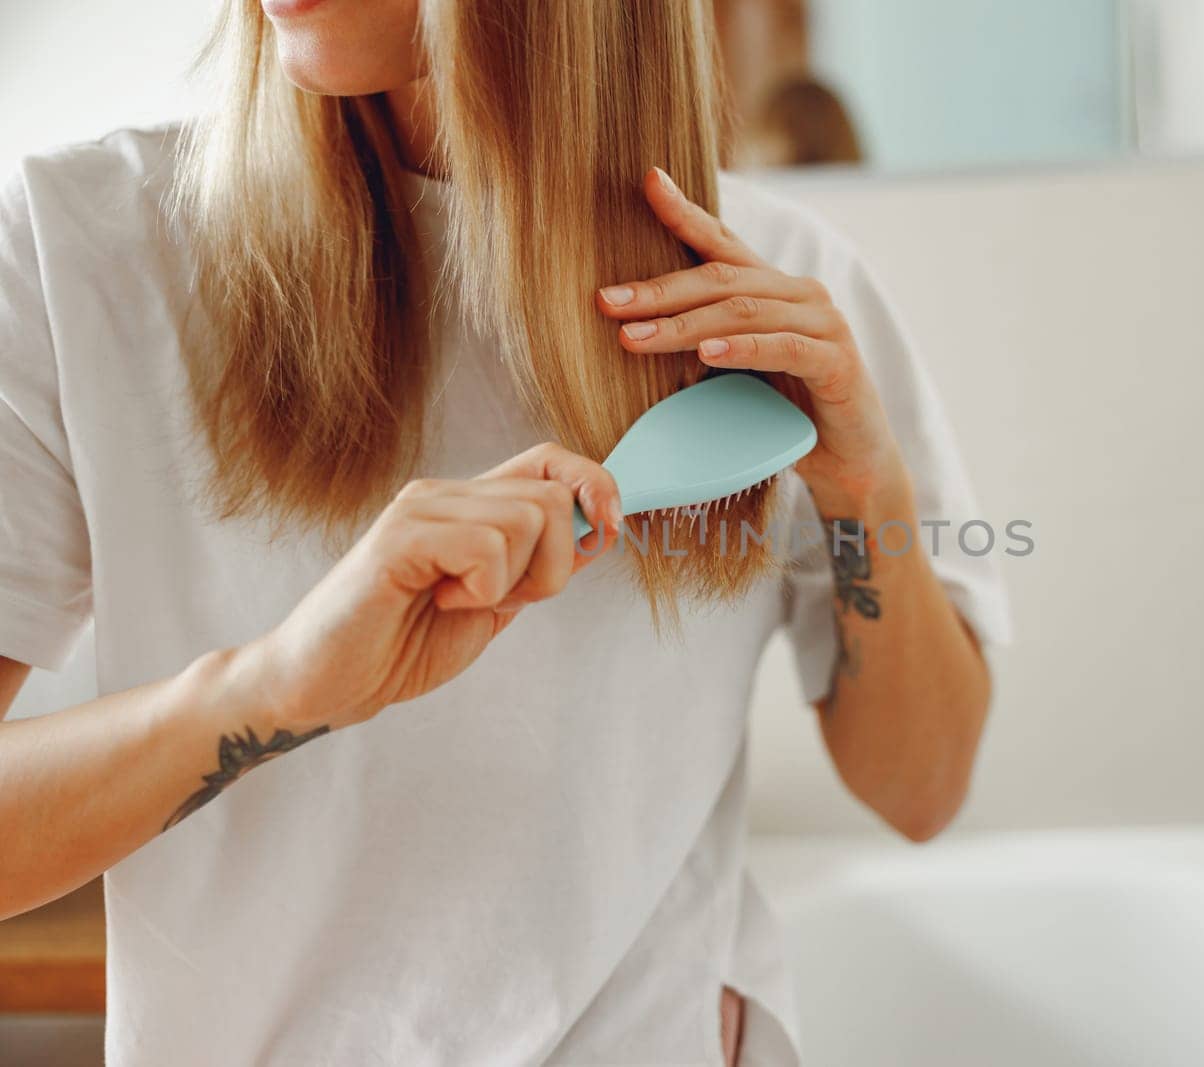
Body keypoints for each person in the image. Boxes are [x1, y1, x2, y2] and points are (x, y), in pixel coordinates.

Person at [0, 1, 1007, 1064]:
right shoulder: (77, 257)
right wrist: (272, 688)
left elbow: (920, 788)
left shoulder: (782, 288)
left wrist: (864, 489)